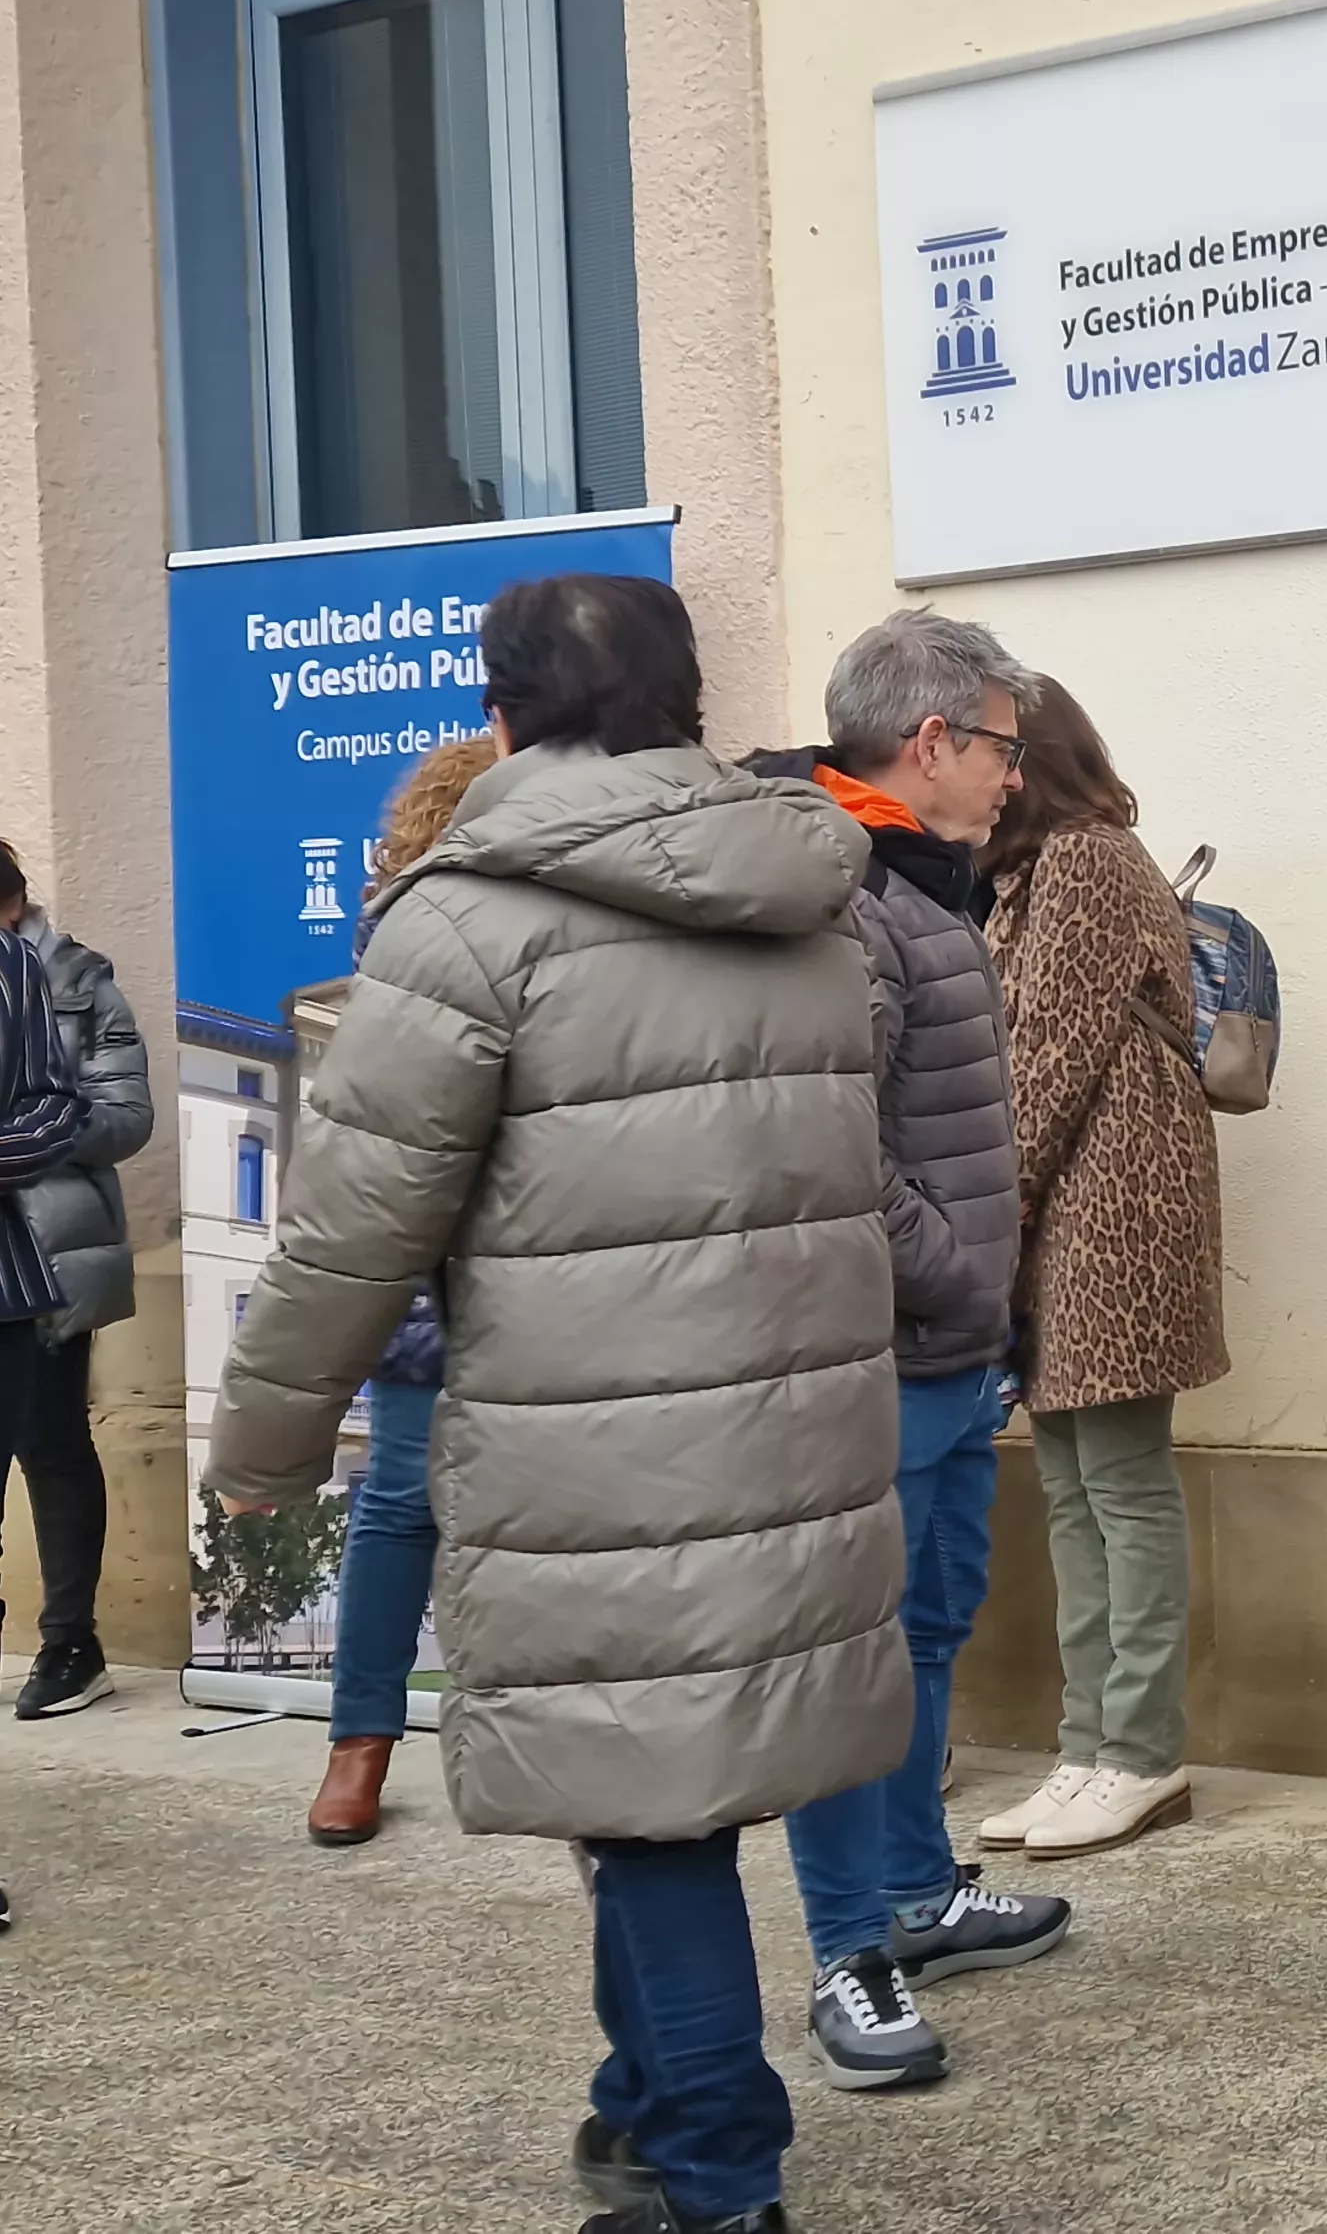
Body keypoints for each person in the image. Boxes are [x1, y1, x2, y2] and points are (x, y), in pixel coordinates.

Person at [202, 572, 901, 2234]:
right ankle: (639, 2109)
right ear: (685, 704)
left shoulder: (465, 923)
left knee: (650, 1819)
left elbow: (356, 1219)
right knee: (649, 1795)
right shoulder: (809, 897)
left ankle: (720, 2177)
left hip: (601, 1455)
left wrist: (263, 1448)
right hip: (793, 1441)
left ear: (499, 717)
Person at [750, 609, 1069, 2091]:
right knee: (852, 1664)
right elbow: (834, 1146)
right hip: (874, 1355)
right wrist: (953, 1272)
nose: (1018, 774)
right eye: (1003, 745)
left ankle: (920, 1888)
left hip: (945, 1352)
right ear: (931, 743)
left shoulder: (918, 883)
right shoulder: (848, 890)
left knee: (928, 1630)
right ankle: (847, 1951)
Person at [974, 677, 1230, 1862]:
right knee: (1076, 1484)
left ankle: (1137, 1750)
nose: (985, 771)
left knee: (1118, 1481)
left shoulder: (1082, 859)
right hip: (1076, 1203)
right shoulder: (1038, 869)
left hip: (1112, 1208)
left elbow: (1048, 1057)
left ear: (1043, 759)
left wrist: (985, 1212)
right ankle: (1089, 1747)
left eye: (1000, 750)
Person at [301, 736, 500, 1842]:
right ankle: (360, 1740)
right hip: (429, 1262)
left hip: (553, 1265)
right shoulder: (401, 938)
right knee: (400, 1499)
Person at [3, 843, 149, 1722]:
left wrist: (21, 1127)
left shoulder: (79, 980)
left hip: (45, 1250)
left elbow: (128, 1117)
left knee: (48, 1443)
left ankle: (71, 1647)